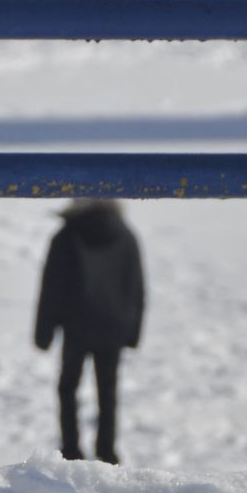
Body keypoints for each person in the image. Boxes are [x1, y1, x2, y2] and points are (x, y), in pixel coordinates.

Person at [34, 198, 146, 464]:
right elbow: (136, 285)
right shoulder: (126, 235)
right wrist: (133, 330)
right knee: (108, 390)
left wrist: (44, 331)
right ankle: (106, 452)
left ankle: (71, 449)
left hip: (77, 325)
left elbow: (53, 286)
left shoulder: (67, 234)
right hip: (114, 326)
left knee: (68, 387)